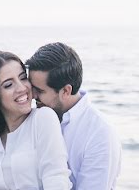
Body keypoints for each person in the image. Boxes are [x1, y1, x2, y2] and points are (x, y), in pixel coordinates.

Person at [0, 50, 72, 190]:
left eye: (23, 78)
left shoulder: (43, 119)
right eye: (8, 85)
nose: (22, 88)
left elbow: (56, 178)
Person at [26, 43, 121, 190]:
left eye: (39, 91)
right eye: (32, 88)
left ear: (65, 91)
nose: (32, 96)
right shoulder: (34, 117)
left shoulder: (99, 134)